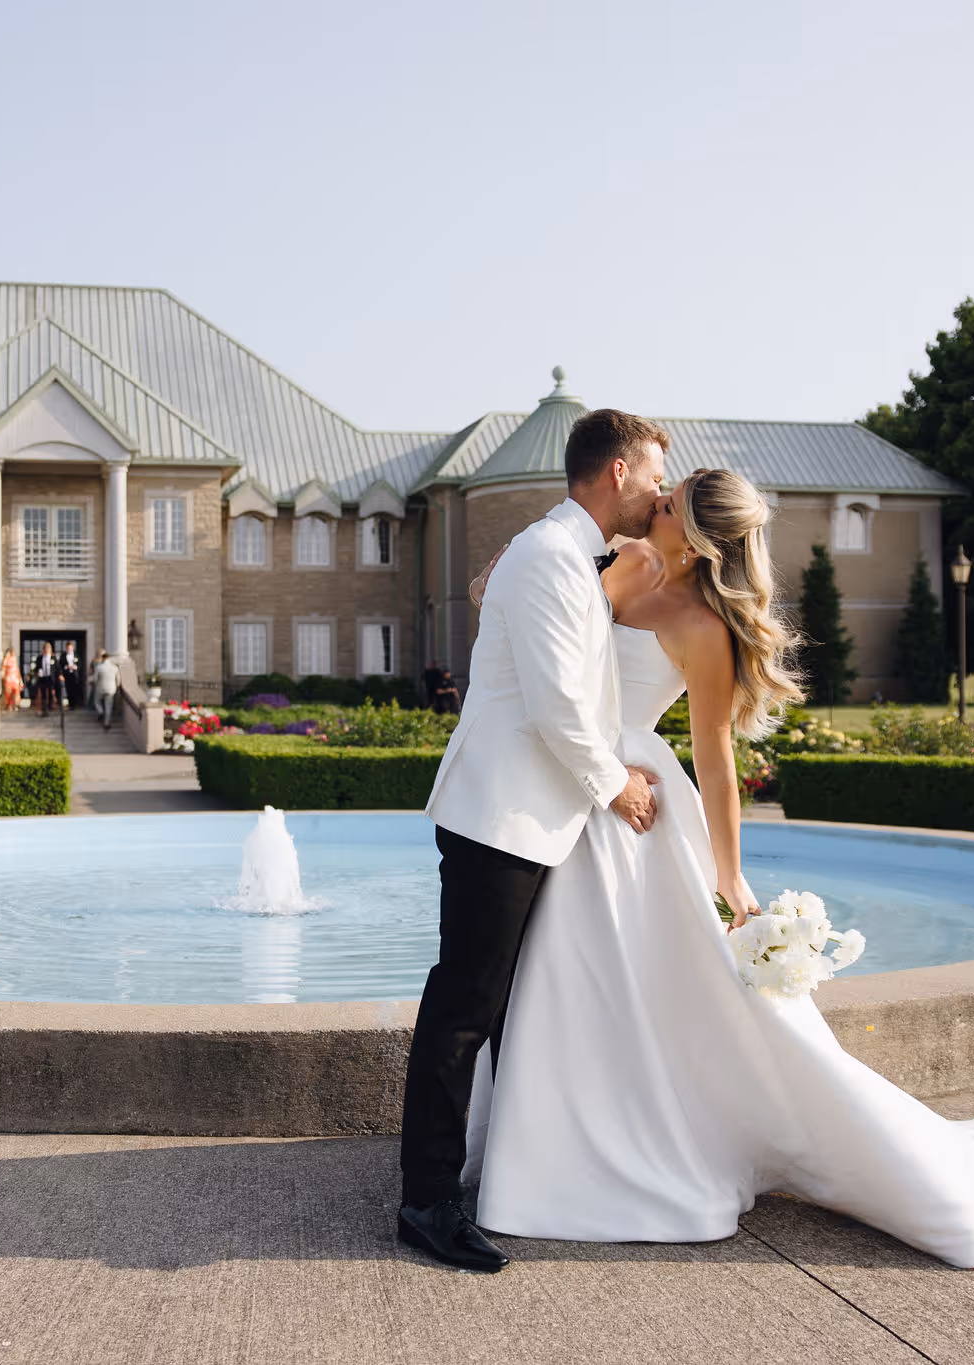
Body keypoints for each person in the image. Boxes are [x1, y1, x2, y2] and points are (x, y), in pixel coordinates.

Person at [456, 465, 974, 1273]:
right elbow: (527, 615)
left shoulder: (702, 626)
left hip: (634, 809)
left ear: (693, 535)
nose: (649, 504)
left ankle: (598, 1155)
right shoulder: (611, 559)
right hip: (563, 789)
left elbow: (716, 760)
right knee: (557, 982)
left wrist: (729, 877)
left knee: (604, 978)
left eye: (666, 503)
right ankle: (549, 1142)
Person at [404, 408, 667, 1274]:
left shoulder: (561, 556)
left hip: (531, 821)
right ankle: (427, 1201)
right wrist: (618, 786)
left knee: (507, 1007)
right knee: (465, 1007)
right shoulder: (550, 555)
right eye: (655, 473)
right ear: (618, 471)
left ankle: (500, 1173)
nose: (661, 489)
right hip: (498, 817)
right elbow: (559, 707)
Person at [91, 650, 120, 729]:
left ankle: (100, 711)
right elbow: (118, 680)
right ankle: (106, 723)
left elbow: (95, 679)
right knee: (108, 707)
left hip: (101, 688)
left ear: (103, 658)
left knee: (96, 701)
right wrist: (117, 688)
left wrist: (95, 684)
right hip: (111, 689)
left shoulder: (99, 667)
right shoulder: (115, 667)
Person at [32, 641, 58, 718]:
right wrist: (37, 673)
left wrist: (59, 675)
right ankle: (44, 707)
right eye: (45, 649)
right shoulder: (39, 658)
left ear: (50, 650)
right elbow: (36, 668)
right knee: (43, 693)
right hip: (42, 677)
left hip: (50, 677)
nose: (46, 650)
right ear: (43, 650)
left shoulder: (53, 658)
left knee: (50, 692)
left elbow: (57, 668)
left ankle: (50, 706)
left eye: (48, 649)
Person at [60, 642, 83, 712]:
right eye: (68, 648)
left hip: (75, 676)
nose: (69, 649)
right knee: (68, 690)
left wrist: (75, 667)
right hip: (67, 675)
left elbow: (80, 665)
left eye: (70, 648)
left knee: (75, 690)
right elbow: (60, 665)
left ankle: (75, 704)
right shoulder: (63, 656)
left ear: (72, 648)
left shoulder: (76, 655)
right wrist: (66, 667)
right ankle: (70, 705)